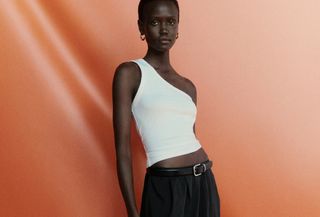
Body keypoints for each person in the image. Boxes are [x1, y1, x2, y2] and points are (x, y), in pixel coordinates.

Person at [112, 0, 220, 216]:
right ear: (141, 27)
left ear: (178, 27)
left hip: (204, 183)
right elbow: (122, 151)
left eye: (171, 22)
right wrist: (133, 212)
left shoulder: (188, 87)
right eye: (154, 22)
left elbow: (188, 136)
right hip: (166, 187)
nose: (164, 30)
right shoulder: (130, 73)